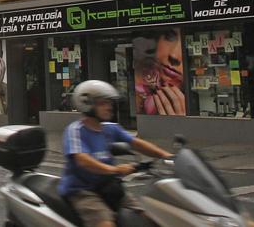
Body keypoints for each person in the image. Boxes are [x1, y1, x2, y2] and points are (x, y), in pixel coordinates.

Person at [60, 80, 172, 227]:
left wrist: (167, 156)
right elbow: (82, 160)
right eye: (103, 103)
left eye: (110, 103)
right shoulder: (75, 130)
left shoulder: (110, 128)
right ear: (87, 104)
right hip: (83, 191)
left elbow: (137, 143)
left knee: (151, 216)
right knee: (106, 224)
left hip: (110, 186)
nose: (109, 107)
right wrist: (115, 170)